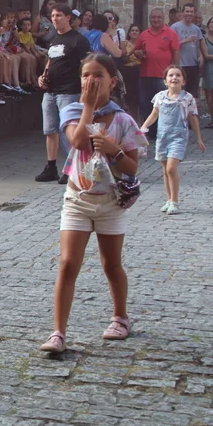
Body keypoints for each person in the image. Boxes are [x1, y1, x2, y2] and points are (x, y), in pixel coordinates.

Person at [40, 54, 147, 354]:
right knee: (67, 263)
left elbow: (132, 167)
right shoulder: (73, 111)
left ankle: (120, 317)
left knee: (111, 264)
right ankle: (58, 332)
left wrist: (115, 151)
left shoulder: (123, 120)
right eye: (86, 75)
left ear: (112, 81)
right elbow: (77, 141)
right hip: (78, 199)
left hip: (110, 201)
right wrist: (88, 106)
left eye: (98, 75)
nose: (91, 80)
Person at [36, 4, 93, 184]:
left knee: (68, 131)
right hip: (50, 91)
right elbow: (50, 61)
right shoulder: (54, 39)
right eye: (53, 16)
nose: (55, 19)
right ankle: (51, 166)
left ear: (68, 17)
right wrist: (42, 76)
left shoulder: (78, 40)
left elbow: (86, 66)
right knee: (50, 130)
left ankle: (73, 168)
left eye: (59, 15)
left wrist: (85, 92)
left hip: (69, 91)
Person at [137, 66, 204, 215]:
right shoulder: (160, 96)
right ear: (165, 81)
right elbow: (154, 114)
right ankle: (168, 199)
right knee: (165, 170)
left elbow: (193, 117)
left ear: (183, 81)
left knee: (171, 168)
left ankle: (175, 201)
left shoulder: (187, 98)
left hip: (178, 137)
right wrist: (143, 128)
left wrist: (199, 137)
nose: (174, 78)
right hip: (162, 137)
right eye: (171, 75)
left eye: (178, 75)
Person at [133, 8, 180, 139]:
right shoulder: (144, 34)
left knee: (164, 105)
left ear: (163, 18)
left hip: (163, 76)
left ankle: (164, 131)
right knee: (146, 105)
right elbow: (136, 50)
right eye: (153, 17)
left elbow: (176, 52)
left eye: (158, 17)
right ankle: (149, 132)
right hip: (145, 75)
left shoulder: (170, 33)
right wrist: (138, 53)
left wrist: (175, 71)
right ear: (150, 19)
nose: (156, 20)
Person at [171, 3, 205, 97]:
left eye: (191, 12)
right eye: (187, 11)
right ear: (182, 13)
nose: (189, 14)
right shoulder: (175, 27)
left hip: (193, 65)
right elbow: (171, 46)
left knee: (192, 95)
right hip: (181, 65)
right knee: (179, 94)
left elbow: (198, 45)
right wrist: (186, 40)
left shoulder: (196, 29)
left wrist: (201, 56)